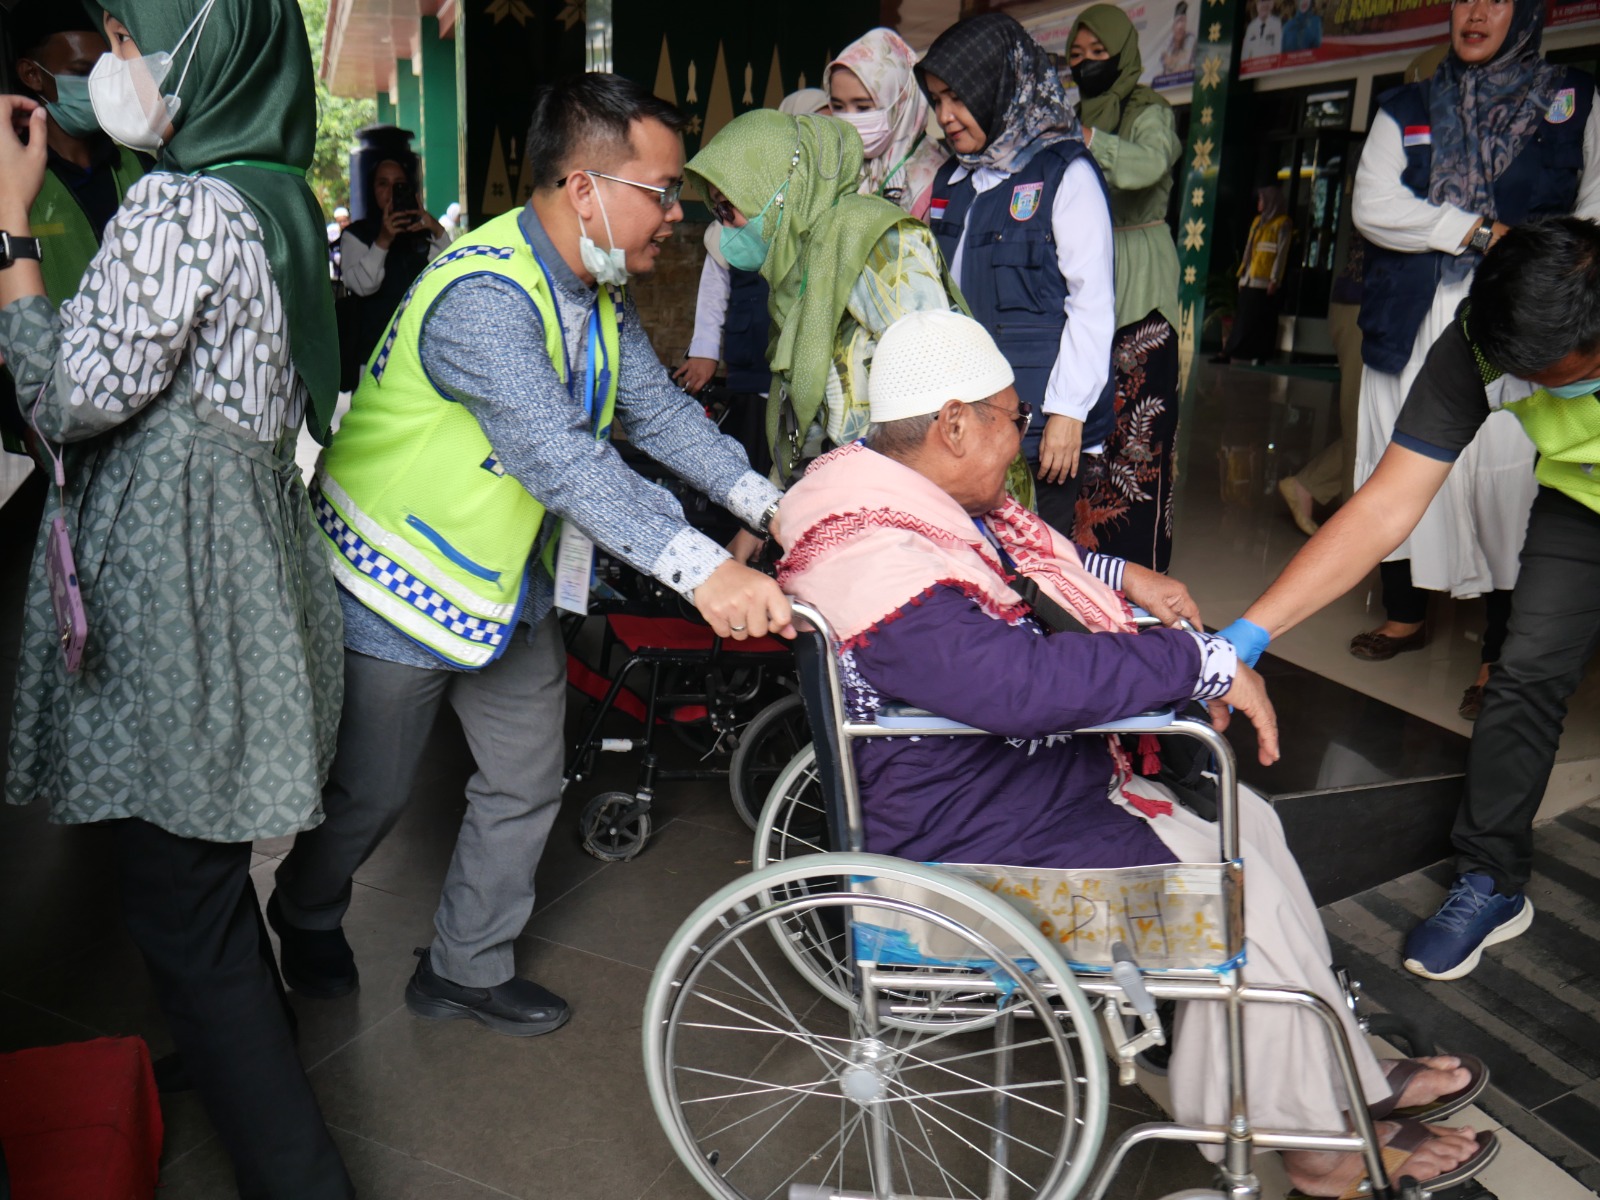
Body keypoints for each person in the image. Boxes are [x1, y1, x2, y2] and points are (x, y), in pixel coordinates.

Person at [777, 310, 1496, 1198]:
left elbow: (1024, 568)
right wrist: (1198, 661)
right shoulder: (878, 555)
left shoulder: (902, 506)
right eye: (1011, 417)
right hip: (967, 851)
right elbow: (1014, 684)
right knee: (1231, 901)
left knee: (1253, 832)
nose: (1023, 439)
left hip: (1015, 793)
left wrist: (1123, 581)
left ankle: (1329, 1073)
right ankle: (1313, 1144)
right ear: (954, 421)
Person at [269, 73, 791, 1036]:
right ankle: (301, 910)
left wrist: (770, 504)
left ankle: (465, 965)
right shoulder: (484, 296)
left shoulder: (592, 287)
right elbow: (559, 456)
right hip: (399, 576)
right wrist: (703, 567)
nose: (675, 216)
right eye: (662, 190)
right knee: (370, 793)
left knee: (527, 775)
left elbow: (659, 411)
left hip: (501, 580)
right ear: (587, 187)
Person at [0, 0, 351, 1195]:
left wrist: (12, 243)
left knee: (179, 888)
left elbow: (68, 395)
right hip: (242, 549)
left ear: (203, 53)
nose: (109, 67)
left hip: (178, 575)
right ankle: (236, 1043)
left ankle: (298, 1170)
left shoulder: (177, 206)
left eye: (129, 41)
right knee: (194, 866)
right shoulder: (273, 192)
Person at [1222, 218, 1600, 984]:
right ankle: (1491, 879)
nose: (1539, 391)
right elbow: (1386, 505)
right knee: (1522, 674)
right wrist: (1248, 632)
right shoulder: (1480, 341)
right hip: (1580, 502)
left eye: (1565, 377)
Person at [1348, 2, 1599, 723]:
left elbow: (1595, 202)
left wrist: (1550, 270)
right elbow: (1373, 204)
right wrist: (1477, 229)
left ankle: (1498, 649)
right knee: (1397, 459)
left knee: (1507, 484)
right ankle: (1405, 611)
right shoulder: (1409, 103)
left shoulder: (1574, 97)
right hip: (1413, 314)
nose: (1475, 11)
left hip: (1525, 321)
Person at [684, 108, 964, 487]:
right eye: (716, 209)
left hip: (911, 488)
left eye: (727, 207)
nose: (724, 223)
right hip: (851, 490)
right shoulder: (798, 270)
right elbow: (811, 416)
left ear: (776, 191)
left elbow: (936, 383)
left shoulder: (873, 240)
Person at [918, 12, 1117, 534]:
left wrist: (1068, 413)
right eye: (937, 101)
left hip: (1037, 423)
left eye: (958, 97)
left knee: (1035, 564)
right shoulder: (953, 180)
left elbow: (1091, 303)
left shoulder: (1063, 173)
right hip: (966, 419)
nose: (946, 116)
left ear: (1000, 88)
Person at [1066, 5, 1183, 570]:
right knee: (1087, 425)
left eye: (1099, 55)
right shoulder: (1071, 113)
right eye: (1076, 57)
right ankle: (1080, 563)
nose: (1087, 65)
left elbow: (1148, 167)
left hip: (1138, 272)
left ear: (1123, 55)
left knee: (1139, 429)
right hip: (1084, 271)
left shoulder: (1150, 111)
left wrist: (1092, 139)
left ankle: (1136, 567)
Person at [1, 5, 144, 453]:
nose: (98, 83)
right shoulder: (12, 180)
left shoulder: (141, 165)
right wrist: (24, 427)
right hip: (55, 422)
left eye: (106, 68)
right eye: (82, 71)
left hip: (142, 413)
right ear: (32, 74)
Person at [674, 88, 834, 470]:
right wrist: (705, 351)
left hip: (802, 378)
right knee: (752, 455)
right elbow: (714, 291)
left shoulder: (824, 215)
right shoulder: (737, 216)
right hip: (751, 362)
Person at [1279, 230, 1365, 538]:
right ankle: (1354, 535)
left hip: (1380, 306)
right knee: (1363, 423)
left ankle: (1309, 485)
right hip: (1366, 305)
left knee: (1380, 425)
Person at [339, 149, 451, 371]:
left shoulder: (421, 232)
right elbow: (363, 285)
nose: (391, 192)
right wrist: (383, 240)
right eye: (383, 184)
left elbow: (449, 273)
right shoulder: (356, 235)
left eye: (399, 184)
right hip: (374, 358)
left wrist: (435, 229)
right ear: (372, 190)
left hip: (421, 355)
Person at [827, 27, 951, 220]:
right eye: (838, 106)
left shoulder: (937, 181)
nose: (849, 121)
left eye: (863, 107)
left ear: (900, 104)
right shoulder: (828, 169)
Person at [1213, 185, 1291, 364]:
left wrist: (1275, 279)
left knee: (1257, 319)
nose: (1259, 203)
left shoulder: (1282, 223)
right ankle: (1231, 352)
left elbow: (1281, 254)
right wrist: (1243, 274)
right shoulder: (1258, 222)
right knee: (1243, 317)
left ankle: (1252, 354)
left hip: (1264, 280)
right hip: (1250, 277)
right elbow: (1249, 249)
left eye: (1262, 200)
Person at [1159, 1, 1194, 78]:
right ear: (1173, 26)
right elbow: (1164, 68)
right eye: (1178, 21)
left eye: (1183, 21)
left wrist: (1173, 62)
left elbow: (1187, 67)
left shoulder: (1191, 40)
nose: (1180, 26)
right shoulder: (1167, 44)